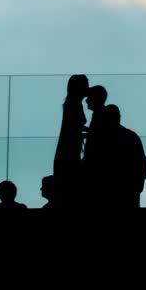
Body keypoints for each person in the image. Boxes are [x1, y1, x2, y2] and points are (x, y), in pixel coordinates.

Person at [53, 74, 90, 209]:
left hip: (67, 153)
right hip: (69, 155)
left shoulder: (72, 103)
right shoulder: (74, 104)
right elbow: (75, 129)